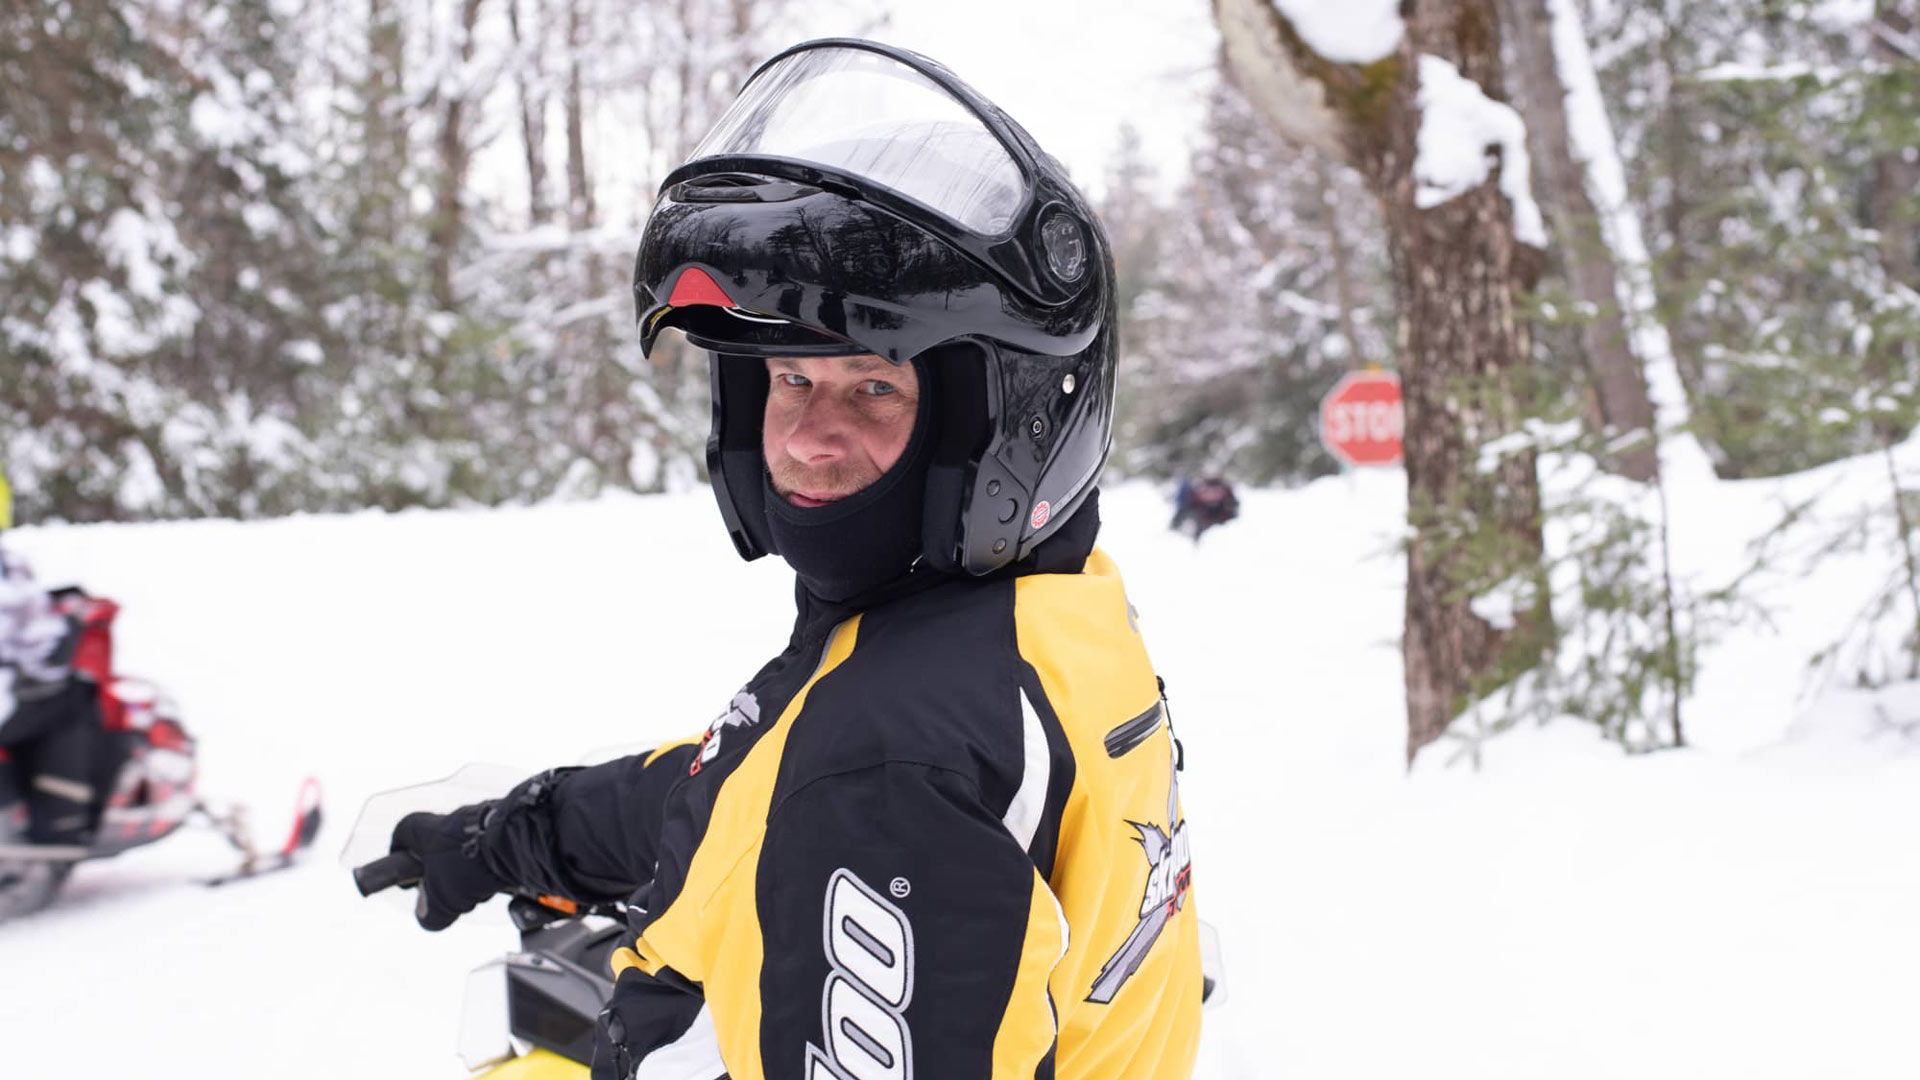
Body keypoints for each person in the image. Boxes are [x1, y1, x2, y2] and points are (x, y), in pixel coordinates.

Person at [383, 39, 1202, 1080]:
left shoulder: (888, 763)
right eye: (786, 382)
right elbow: (755, 783)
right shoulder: (1048, 622)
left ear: (996, 429)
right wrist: (522, 833)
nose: (808, 438)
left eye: (874, 388)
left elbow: (845, 783)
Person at [0, 465, 96, 851]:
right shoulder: (8, 567)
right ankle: (57, 824)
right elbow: (37, 643)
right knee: (74, 696)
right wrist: (70, 623)